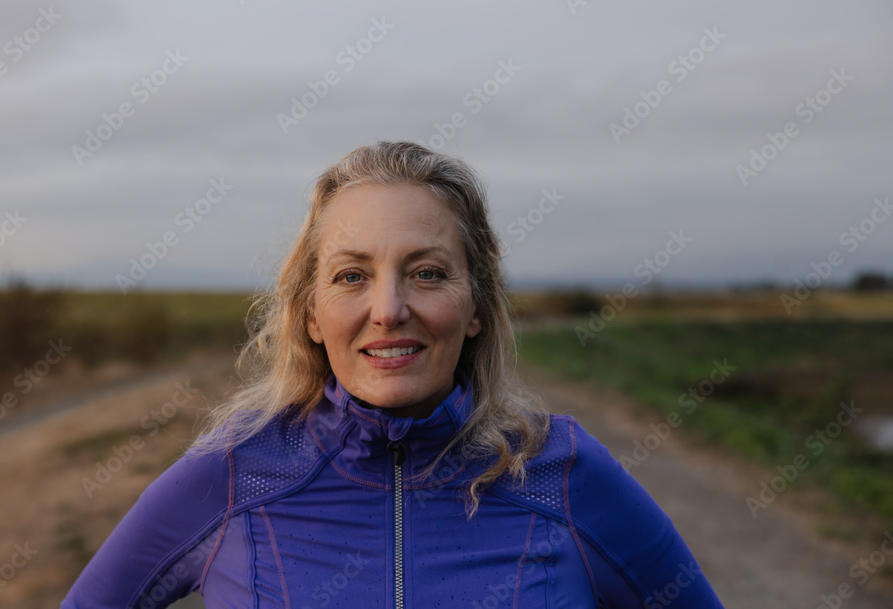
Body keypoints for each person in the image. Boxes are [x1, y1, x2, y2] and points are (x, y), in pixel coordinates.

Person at [61, 141, 724, 608]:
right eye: (352, 276)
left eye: (427, 272)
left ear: (475, 307)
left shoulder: (563, 473)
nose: (389, 309)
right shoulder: (236, 473)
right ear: (312, 313)